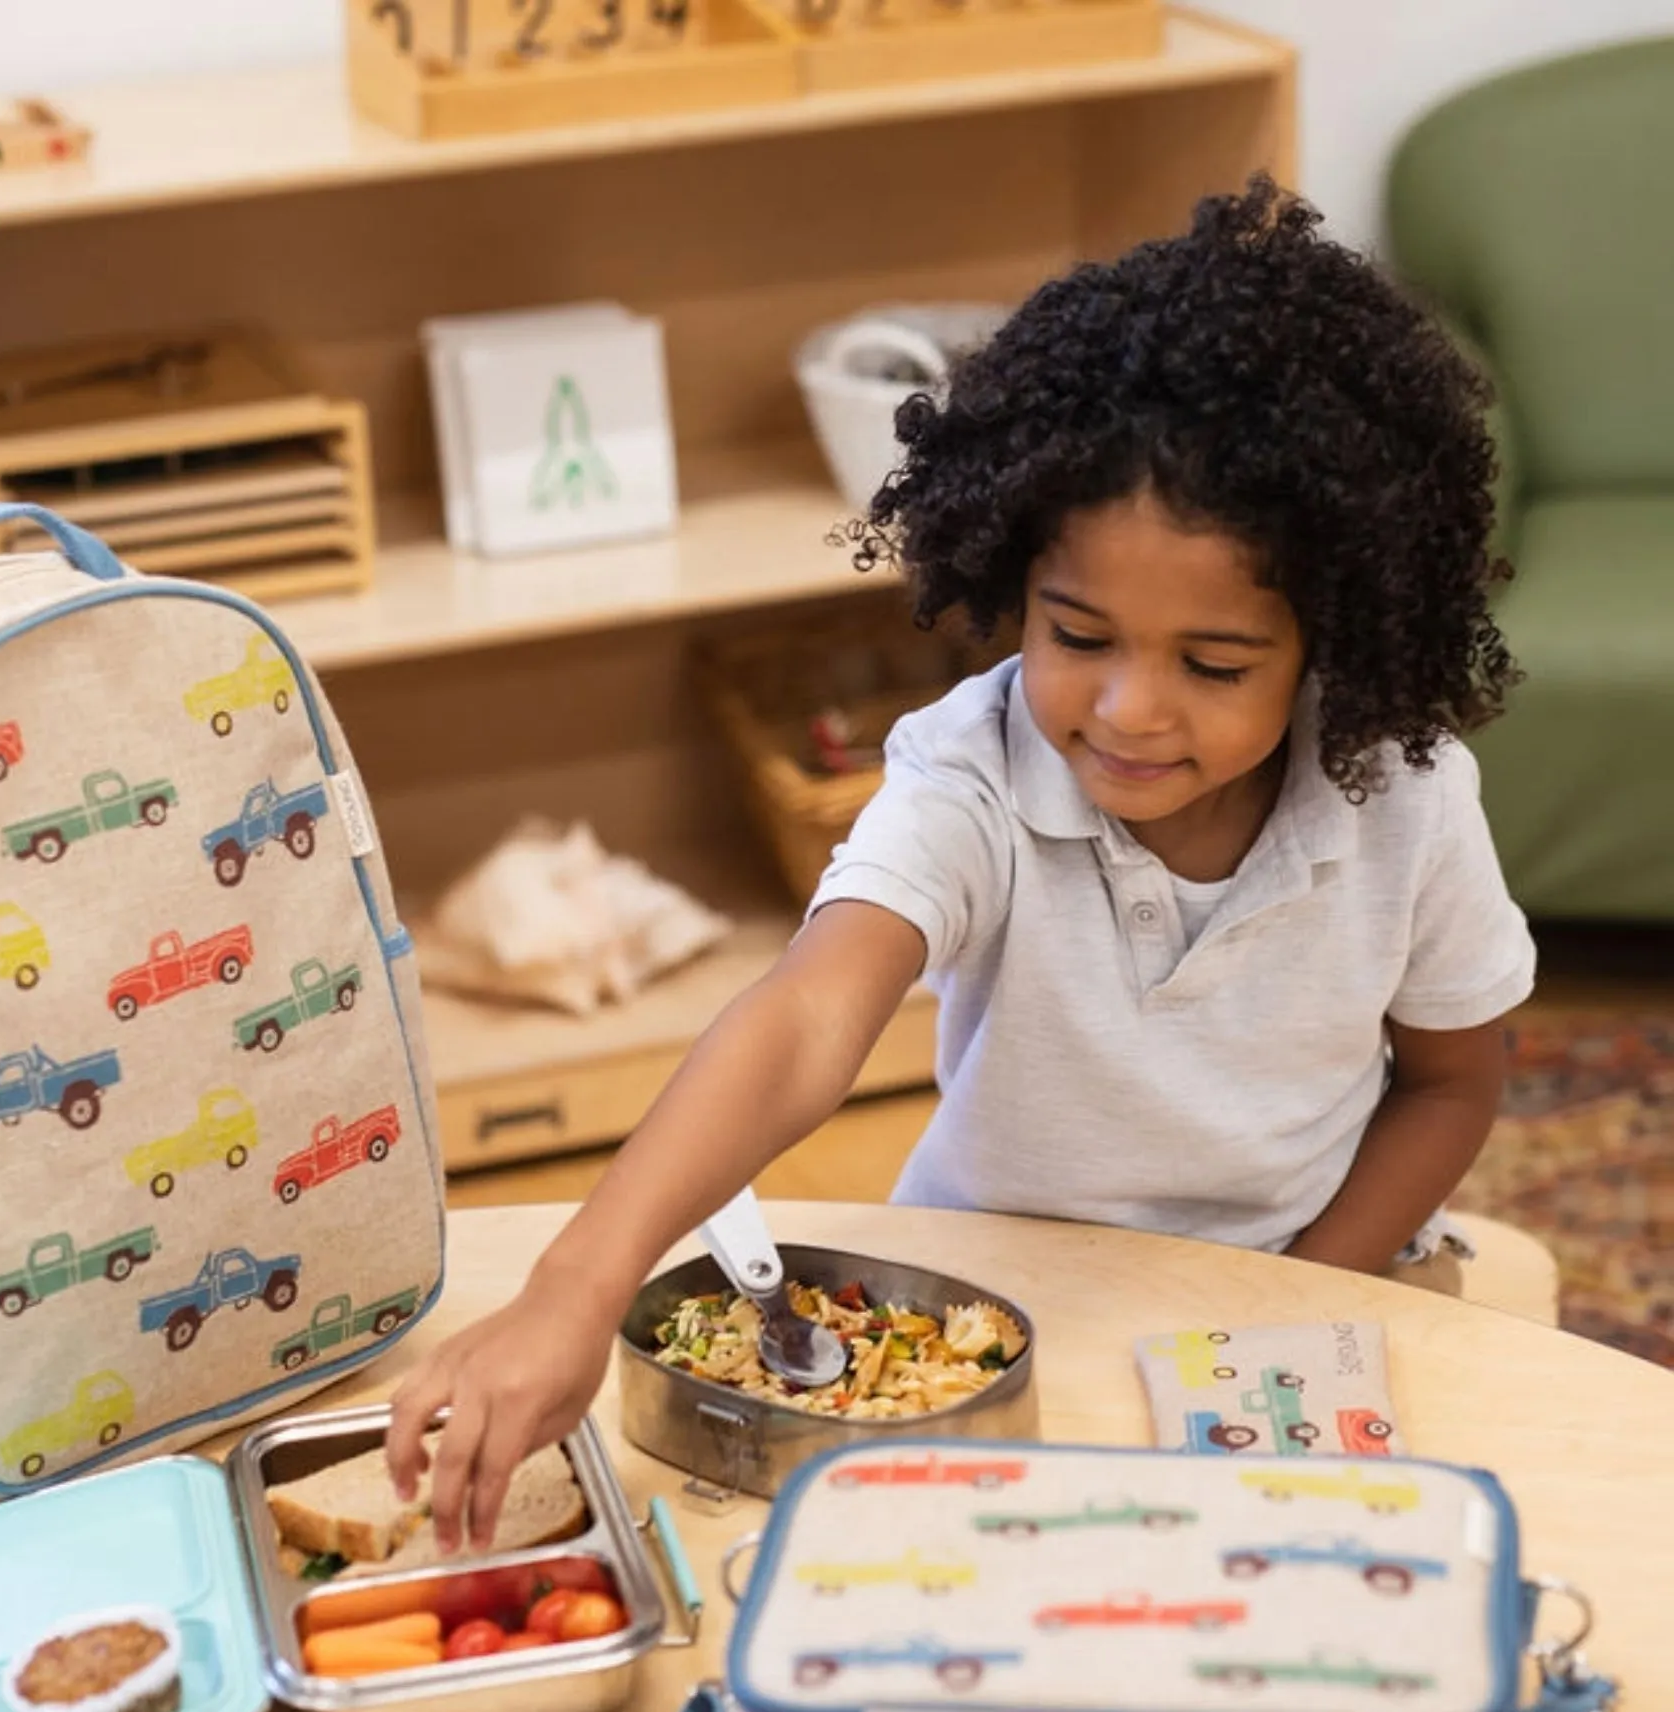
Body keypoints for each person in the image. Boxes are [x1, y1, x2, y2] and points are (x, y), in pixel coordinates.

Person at [388, 177, 1533, 1550]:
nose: (1127, 712)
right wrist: (578, 1283)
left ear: (1332, 643)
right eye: (1078, 634)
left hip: (1297, 1292)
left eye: (1213, 664)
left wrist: (1304, 1295)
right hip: (983, 1313)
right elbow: (809, 1015)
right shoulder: (973, 771)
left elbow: (1455, 1082)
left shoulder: (1406, 797)